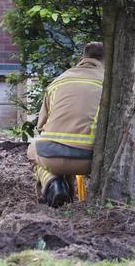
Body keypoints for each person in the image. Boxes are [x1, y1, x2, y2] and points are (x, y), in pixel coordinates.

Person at [27, 42, 105, 207]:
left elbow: (41, 125)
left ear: (82, 58)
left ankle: (53, 183)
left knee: (33, 147)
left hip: (52, 157)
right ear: (106, 60)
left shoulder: (58, 82)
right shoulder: (111, 84)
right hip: (91, 160)